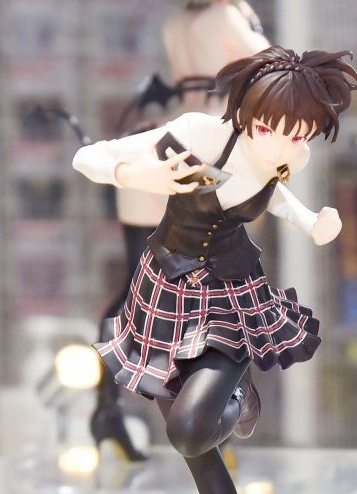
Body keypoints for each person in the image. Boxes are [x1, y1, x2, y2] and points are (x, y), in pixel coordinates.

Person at [73, 45, 357, 494]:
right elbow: (91, 158)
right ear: (247, 111)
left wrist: (312, 223)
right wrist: (136, 174)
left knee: (193, 438)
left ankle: (234, 399)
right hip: (166, 304)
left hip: (232, 308)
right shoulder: (201, 133)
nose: (284, 143)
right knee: (212, 491)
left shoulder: (284, 158)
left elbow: (276, 188)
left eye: (300, 133)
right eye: (273, 127)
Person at [90, 0, 269, 460]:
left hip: (165, 138)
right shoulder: (225, 16)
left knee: (135, 285)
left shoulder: (178, 23)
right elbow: (274, 72)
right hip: (212, 148)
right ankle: (222, 402)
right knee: (225, 279)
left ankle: (106, 406)